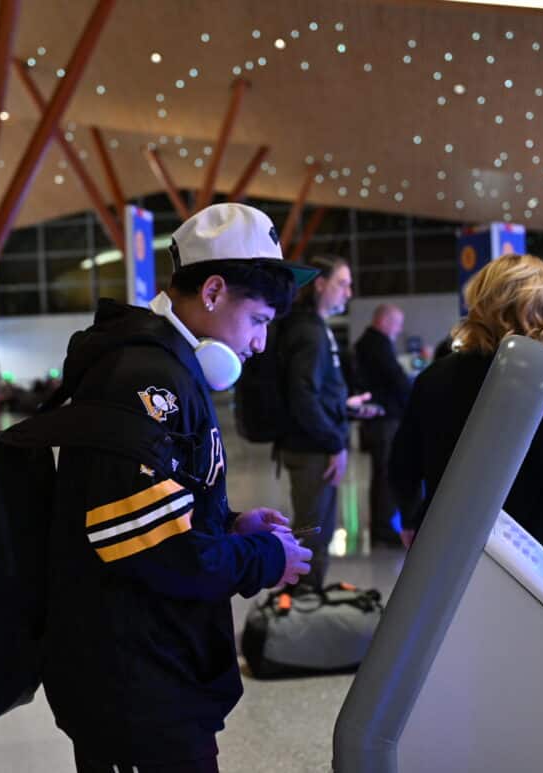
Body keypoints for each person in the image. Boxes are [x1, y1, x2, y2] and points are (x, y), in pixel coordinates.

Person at [43, 203, 316, 773]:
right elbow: (151, 548)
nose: (261, 345)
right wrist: (263, 558)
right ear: (213, 291)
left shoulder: (166, 368)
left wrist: (232, 522)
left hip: (152, 665)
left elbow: (163, 507)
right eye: (259, 321)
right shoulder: (144, 377)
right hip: (134, 678)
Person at [389, 253, 543, 617]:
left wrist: (411, 520)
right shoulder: (538, 384)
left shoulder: (432, 379)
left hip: (449, 557)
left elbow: (403, 464)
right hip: (530, 562)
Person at [275, 255, 374, 590]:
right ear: (320, 285)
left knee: (315, 530)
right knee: (313, 532)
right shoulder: (310, 333)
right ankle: (302, 606)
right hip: (313, 450)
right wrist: (334, 443)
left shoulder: (314, 329)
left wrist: (342, 406)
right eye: (342, 283)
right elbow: (302, 397)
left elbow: (312, 392)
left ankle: (304, 600)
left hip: (314, 445)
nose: (348, 292)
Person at [354, 304, 413, 546]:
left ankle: (381, 526)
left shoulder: (368, 342)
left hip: (378, 418)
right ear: (385, 321)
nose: (399, 329)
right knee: (386, 475)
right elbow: (396, 378)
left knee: (381, 475)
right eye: (397, 323)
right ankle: (384, 529)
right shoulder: (376, 344)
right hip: (384, 420)